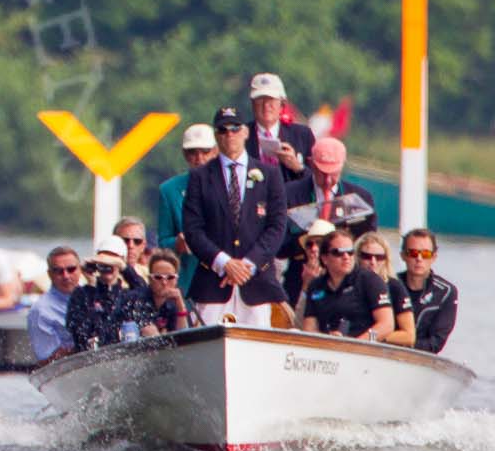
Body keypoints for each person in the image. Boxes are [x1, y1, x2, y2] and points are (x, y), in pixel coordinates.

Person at [182, 106, 290, 325]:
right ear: (216, 136)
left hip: (257, 284)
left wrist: (248, 264)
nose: (229, 134)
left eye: (234, 128)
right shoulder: (199, 177)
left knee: (258, 348)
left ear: (245, 132)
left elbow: (277, 226)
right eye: (223, 130)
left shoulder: (269, 174)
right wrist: (224, 263)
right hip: (213, 285)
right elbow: (193, 229)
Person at [157, 123, 215, 299]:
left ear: (215, 151)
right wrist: (177, 243)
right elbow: (163, 241)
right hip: (189, 279)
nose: (199, 158)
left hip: (223, 277)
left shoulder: (230, 185)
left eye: (205, 152)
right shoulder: (169, 190)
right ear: (185, 154)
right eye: (192, 153)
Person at [302, 230, 393, 341]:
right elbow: (309, 328)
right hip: (328, 349)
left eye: (350, 252)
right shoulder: (315, 286)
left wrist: (357, 343)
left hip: (365, 351)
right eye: (338, 252)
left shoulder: (370, 280)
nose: (346, 257)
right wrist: (327, 338)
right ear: (325, 258)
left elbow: (386, 325)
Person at [65, 237, 150, 350]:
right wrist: (91, 284)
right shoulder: (82, 293)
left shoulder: (128, 294)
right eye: (103, 262)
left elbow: (145, 292)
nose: (107, 266)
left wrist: (124, 268)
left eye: (111, 262)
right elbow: (79, 330)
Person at [385, 227, 459, 354]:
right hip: (385, 352)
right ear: (403, 256)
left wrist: (404, 344)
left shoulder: (446, 292)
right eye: (413, 253)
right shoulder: (388, 285)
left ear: (434, 257)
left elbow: (436, 343)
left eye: (425, 254)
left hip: (421, 357)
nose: (419, 259)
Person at [284, 137, 376, 235]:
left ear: (342, 166)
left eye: (333, 173)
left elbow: (367, 239)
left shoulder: (361, 199)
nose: (328, 180)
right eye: (322, 173)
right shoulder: (288, 194)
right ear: (311, 164)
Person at [248, 73, 316, 178]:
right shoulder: (242, 135)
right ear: (252, 104)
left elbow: (318, 180)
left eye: (271, 100)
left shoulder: (302, 135)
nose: (266, 105)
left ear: (282, 104)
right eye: (260, 100)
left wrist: (297, 166)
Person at [27, 247, 83, 362]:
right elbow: (47, 361)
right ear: (49, 274)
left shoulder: (94, 297)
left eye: (71, 269)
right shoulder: (40, 310)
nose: (66, 276)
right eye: (58, 271)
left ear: (80, 270)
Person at [139, 251, 189, 336]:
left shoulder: (175, 302)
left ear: (176, 280)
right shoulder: (136, 299)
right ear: (150, 279)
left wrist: (181, 308)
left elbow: (185, 339)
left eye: (170, 277)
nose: (164, 282)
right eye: (158, 277)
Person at [113, 216, 150, 291]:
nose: (130, 246)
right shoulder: (102, 274)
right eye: (125, 240)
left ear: (143, 246)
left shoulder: (151, 276)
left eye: (137, 241)